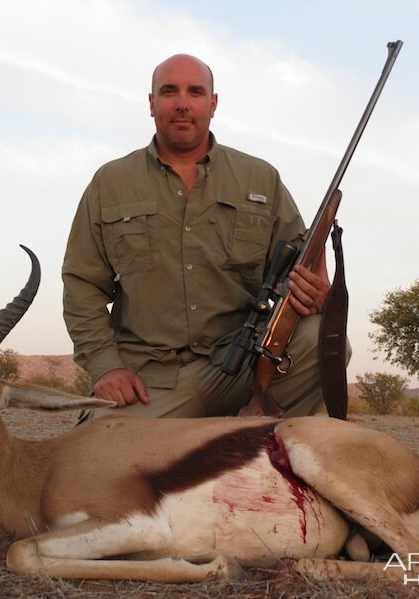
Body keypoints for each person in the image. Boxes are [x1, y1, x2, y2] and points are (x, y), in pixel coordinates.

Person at [62, 53, 339, 419]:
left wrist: (320, 296)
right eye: (168, 91)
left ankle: (261, 433)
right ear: (151, 103)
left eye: (195, 92)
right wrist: (106, 367)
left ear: (213, 103)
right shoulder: (109, 183)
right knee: (92, 461)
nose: (182, 104)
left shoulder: (262, 179)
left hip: (244, 367)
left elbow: (306, 272)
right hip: (151, 381)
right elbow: (82, 284)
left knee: (324, 338)